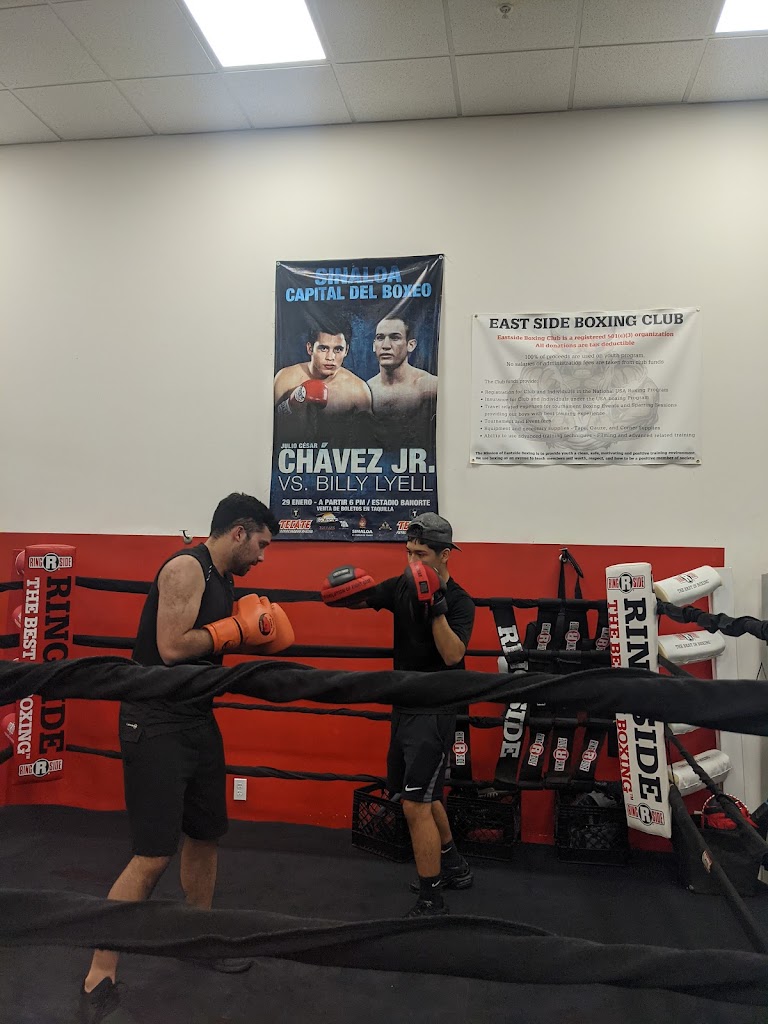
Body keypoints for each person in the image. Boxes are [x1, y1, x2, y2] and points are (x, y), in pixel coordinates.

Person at [80, 493, 291, 1023]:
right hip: (154, 720)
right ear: (239, 532)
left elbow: (208, 646)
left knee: (204, 834)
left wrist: (249, 638)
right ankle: (100, 970)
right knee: (153, 855)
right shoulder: (186, 569)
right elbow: (172, 647)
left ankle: (198, 939)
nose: (262, 556)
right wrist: (233, 631)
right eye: (261, 544)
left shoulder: (224, 580)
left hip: (196, 717)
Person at [321, 513, 475, 917]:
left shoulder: (460, 602)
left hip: (435, 710)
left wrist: (436, 605)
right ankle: (454, 866)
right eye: (408, 552)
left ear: (444, 555)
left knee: (415, 804)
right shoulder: (403, 586)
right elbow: (363, 598)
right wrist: (346, 588)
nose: (412, 562)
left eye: (421, 554)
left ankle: (431, 899)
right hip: (404, 707)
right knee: (425, 794)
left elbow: (453, 655)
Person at [273, 316, 372, 446]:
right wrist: (290, 405)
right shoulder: (285, 378)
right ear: (310, 348)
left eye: (338, 349)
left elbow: (367, 441)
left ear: (346, 350)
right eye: (323, 348)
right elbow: (267, 426)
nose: (330, 357)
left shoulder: (358, 391)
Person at [367, 315, 438, 450]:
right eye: (380, 338)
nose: (385, 346)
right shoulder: (366, 391)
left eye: (395, 338)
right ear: (374, 345)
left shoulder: (429, 387)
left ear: (411, 345)